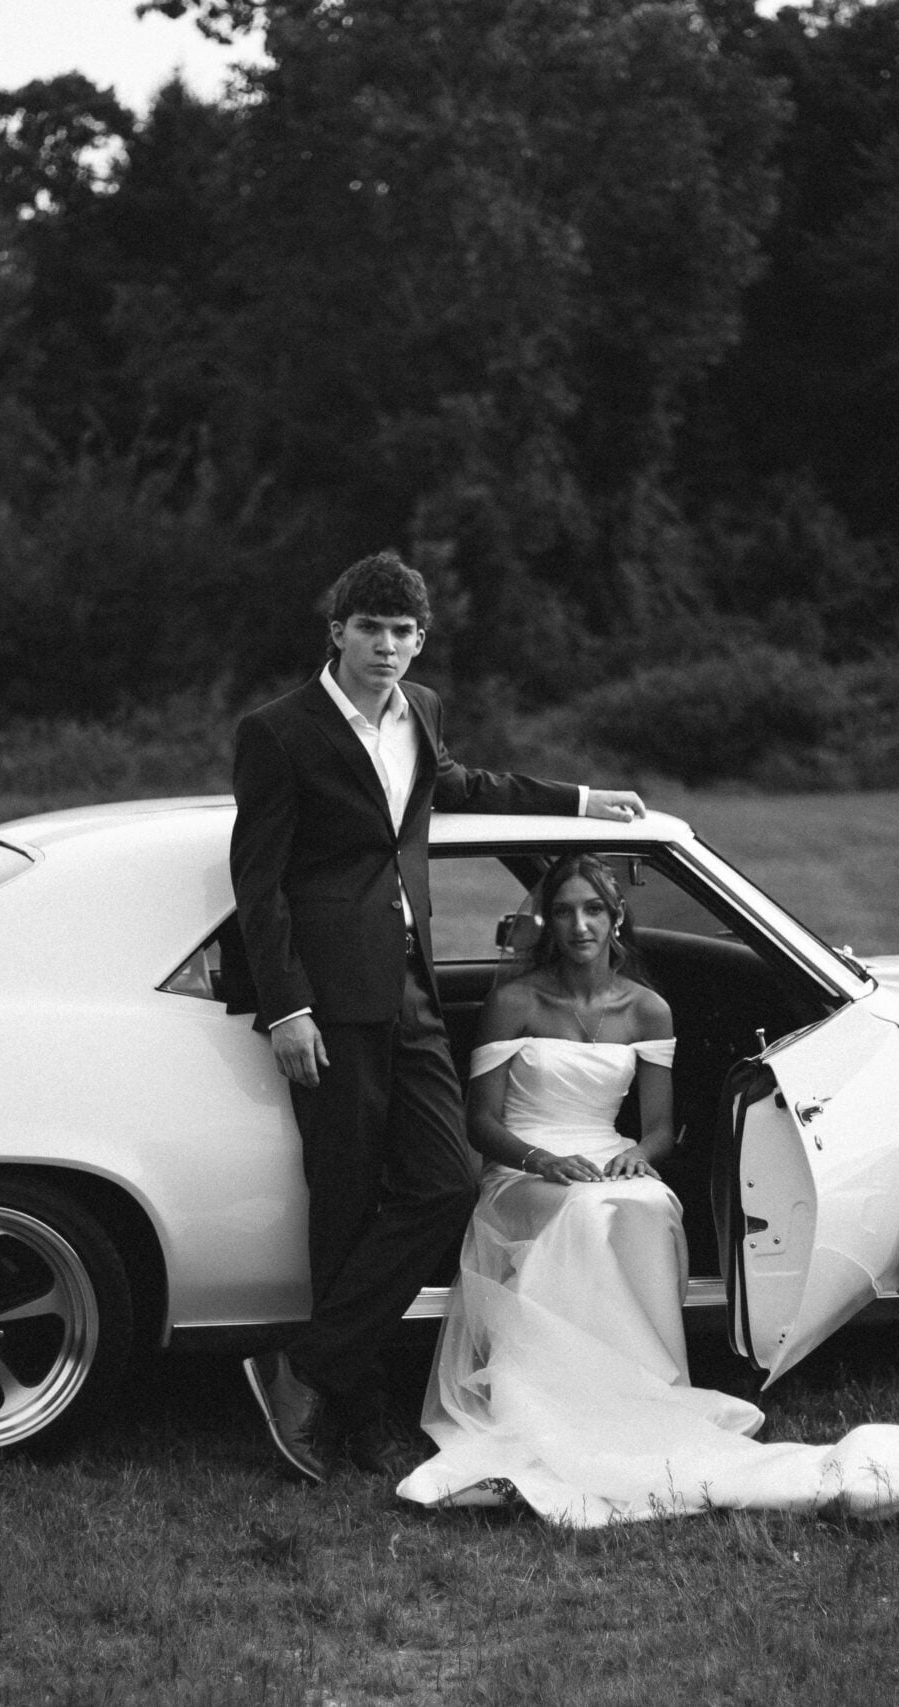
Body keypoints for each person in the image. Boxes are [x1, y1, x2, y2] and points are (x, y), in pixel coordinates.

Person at [396, 852, 899, 1528]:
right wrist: (544, 1160)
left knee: (645, 1203)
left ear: (616, 919)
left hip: (608, 1158)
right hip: (525, 1168)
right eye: (563, 910)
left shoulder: (647, 1008)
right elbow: (481, 1120)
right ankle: (564, 1394)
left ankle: (632, 1390)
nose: (579, 923)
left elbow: (662, 1130)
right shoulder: (514, 1001)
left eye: (593, 909)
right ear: (545, 922)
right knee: (587, 1211)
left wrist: (636, 1158)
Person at [230, 551, 646, 1484]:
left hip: (409, 986)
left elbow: (462, 786)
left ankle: (306, 1366)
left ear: (421, 641)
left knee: (444, 1181)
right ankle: (363, 1412)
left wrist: (578, 802)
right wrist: (286, 1005)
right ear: (336, 630)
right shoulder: (278, 732)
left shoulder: (421, 712)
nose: (388, 645)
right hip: (328, 1002)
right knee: (343, 1205)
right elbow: (258, 883)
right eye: (371, 627)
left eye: (404, 631)